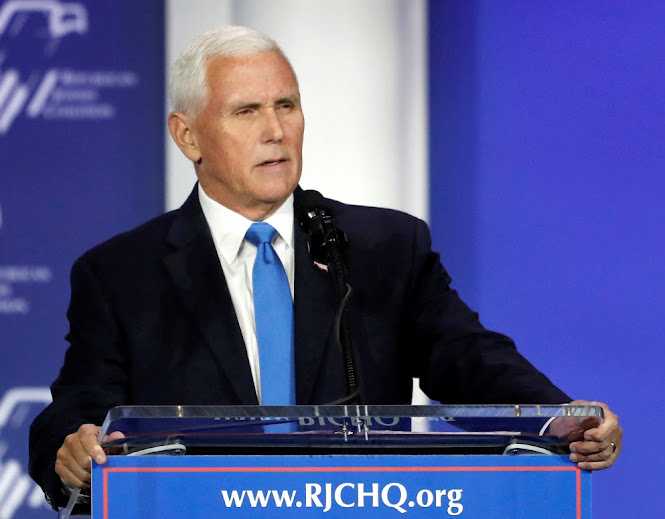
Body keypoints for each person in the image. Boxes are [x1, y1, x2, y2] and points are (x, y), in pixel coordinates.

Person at [28, 26, 622, 510]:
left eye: (287, 104)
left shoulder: (383, 245)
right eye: (246, 111)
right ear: (188, 137)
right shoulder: (121, 273)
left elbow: (467, 356)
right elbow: (78, 409)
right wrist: (72, 448)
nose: (276, 130)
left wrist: (563, 416)